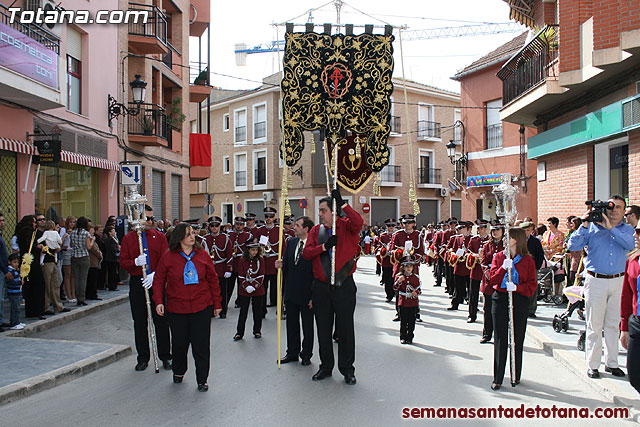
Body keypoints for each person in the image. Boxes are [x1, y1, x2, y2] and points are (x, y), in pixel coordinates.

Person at [568, 195, 635, 379]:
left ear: (624, 212)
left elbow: (629, 245)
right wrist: (583, 224)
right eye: (611, 207)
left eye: (619, 208)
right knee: (594, 325)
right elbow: (572, 245)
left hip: (618, 281)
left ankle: (612, 363)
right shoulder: (592, 228)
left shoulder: (627, 230)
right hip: (595, 280)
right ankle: (593, 364)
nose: (614, 211)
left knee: (613, 325)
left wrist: (611, 228)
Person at [303, 189, 363, 385]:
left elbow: (359, 222)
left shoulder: (346, 226)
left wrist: (343, 204)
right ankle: (325, 366)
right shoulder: (315, 231)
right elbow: (307, 254)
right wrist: (324, 247)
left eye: (323, 210)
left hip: (344, 285)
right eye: (319, 210)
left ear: (333, 212)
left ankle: (347, 369)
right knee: (323, 329)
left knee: (345, 329)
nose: (319, 214)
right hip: (321, 288)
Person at [153, 223, 222, 392]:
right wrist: (159, 301)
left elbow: (213, 280)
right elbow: (159, 280)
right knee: (179, 344)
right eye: (188, 234)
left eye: (193, 233)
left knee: (201, 345)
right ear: (179, 238)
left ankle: (202, 379)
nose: (193, 236)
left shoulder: (203, 255)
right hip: (177, 308)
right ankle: (179, 371)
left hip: (201, 306)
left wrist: (217, 303)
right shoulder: (168, 257)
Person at [120, 204, 172, 372]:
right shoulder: (129, 238)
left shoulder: (160, 237)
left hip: (155, 282)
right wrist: (135, 263)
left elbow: (166, 262)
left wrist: (155, 274)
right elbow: (123, 262)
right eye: (147, 218)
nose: (151, 221)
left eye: (152, 218)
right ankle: (143, 357)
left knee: (161, 320)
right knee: (140, 322)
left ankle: (165, 356)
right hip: (137, 282)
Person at [489, 227, 537, 390]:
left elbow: (532, 285)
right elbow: (492, 280)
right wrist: (503, 267)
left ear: (516, 239)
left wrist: (518, 288)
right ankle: (498, 378)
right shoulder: (499, 256)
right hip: (500, 299)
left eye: (507, 237)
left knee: (517, 338)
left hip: (519, 299)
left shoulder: (527, 260)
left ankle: (515, 375)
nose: (504, 240)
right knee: (501, 339)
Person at [275, 216, 315, 366]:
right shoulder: (291, 242)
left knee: (307, 326)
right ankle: (292, 352)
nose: (294, 227)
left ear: (306, 229)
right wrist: (280, 264)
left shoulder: (314, 245)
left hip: (307, 294)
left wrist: (313, 296)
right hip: (291, 292)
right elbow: (286, 265)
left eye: (297, 225)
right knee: (291, 324)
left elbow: (316, 273)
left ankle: (306, 354)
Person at [390, 214, 425, 321]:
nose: (407, 225)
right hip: (400, 266)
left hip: (412, 267)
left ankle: (416, 313)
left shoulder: (417, 235)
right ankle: (399, 312)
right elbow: (391, 250)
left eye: (409, 223)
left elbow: (421, 252)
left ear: (413, 224)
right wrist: (399, 252)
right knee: (399, 290)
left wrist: (414, 257)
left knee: (414, 288)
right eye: (405, 223)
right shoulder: (397, 234)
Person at [620, 223, 640, 394]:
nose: (635, 235)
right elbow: (626, 295)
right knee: (634, 375)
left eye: (639, 232)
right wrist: (624, 327)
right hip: (637, 323)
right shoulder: (632, 261)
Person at [234, 240, 265, 340]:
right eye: (252, 250)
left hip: (257, 289)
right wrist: (246, 285)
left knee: (257, 311)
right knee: (243, 311)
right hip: (245, 289)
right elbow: (241, 274)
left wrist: (254, 286)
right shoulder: (243, 260)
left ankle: (257, 331)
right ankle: (239, 332)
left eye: (256, 250)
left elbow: (261, 274)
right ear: (248, 250)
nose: (255, 252)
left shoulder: (260, 260)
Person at [204, 216, 233, 318]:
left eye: (216, 225)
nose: (214, 228)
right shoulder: (205, 239)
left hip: (221, 268)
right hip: (209, 269)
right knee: (209, 291)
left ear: (220, 226)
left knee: (222, 291)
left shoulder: (225, 238)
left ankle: (223, 311)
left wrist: (228, 268)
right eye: (212, 226)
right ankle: (211, 310)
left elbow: (229, 254)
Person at [17, 215, 45, 319]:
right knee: (37, 286)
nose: (35, 224)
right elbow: (30, 246)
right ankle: (37, 310)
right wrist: (39, 248)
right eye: (34, 222)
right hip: (31, 262)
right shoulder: (27, 231)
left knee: (30, 287)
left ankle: (32, 310)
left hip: (26, 262)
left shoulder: (22, 232)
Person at [479, 223, 504, 343]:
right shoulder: (487, 246)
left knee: (501, 311)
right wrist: (489, 274)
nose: (495, 232)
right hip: (489, 281)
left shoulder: (507, 245)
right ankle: (487, 333)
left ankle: (500, 335)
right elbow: (483, 262)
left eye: (497, 230)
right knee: (487, 309)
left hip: (502, 281)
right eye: (493, 230)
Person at [39, 220, 67, 315]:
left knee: (55, 284)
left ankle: (57, 305)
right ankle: (46, 306)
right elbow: (59, 242)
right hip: (48, 261)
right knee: (48, 285)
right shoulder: (49, 233)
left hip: (51, 260)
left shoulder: (46, 234)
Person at [256, 207, 280, 313]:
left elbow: (282, 246)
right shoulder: (260, 230)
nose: (268, 218)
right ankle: (262, 308)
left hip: (274, 261)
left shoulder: (279, 230)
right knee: (263, 286)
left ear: (274, 217)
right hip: (264, 262)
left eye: (271, 216)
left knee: (276, 285)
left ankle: (276, 304)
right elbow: (256, 245)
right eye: (266, 216)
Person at [393, 255, 421, 344]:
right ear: (403, 267)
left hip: (413, 302)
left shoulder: (416, 278)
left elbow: (419, 289)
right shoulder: (399, 276)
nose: (409, 268)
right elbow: (395, 288)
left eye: (410, 266)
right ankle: (403, 336)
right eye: (407, 266)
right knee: (404, 321)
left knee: (412, 321)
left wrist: (416, 293)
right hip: (403, 302)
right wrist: (399, 281)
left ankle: (410, 336)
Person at [519, 221, 544, 318]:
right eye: (524, 230)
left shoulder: (535, 241)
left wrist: (537, 267)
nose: (526, 232)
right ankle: (521, 308)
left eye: (528, 230)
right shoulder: (518, 241)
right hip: (520, 268)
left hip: (532, 268)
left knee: (532, 289)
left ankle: (531, 309)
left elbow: (540, 255)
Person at [468, 220, 490, 323]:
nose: (479, 230)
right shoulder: (474, 240)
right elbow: (469, 251)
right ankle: (472, 315)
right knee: (473, 293)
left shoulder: (489, 240)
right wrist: (474, 255)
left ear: (485, 228)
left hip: (486, 270)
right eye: (478, 228)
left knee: (487, 293)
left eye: (481, 228)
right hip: (476, 269)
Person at [229, 216, 253, 308]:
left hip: (242, 263)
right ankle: (225, 302)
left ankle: (240, 301)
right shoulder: (229, 235)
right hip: (232, 263)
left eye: (241, 225)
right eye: (237, 224)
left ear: (244, 226)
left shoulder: (248, 236)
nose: (238, 226)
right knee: (229, 285)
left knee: (242, 284)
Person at [70, 216, 93, 306]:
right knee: (83, 278)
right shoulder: (86, 233)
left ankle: (77, 296)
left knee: (76, 278)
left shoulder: (73, 233)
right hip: (84, 256)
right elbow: (89, 247)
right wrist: (92, 241)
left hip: (74, 256)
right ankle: (81, 297)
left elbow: (71, 245)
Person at [542, 216, 566, 297]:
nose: (548, 225)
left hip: (555, 257)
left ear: (554, 224)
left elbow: (560, 246)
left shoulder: (560, 235)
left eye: (550, 223)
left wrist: (551, 251)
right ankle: (547, 291)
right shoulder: (546, 234)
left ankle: (556, 292)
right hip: (547, 256)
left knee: (556, 273)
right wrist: (544, 250)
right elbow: (543, 243)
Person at [377, 219, 396, 302]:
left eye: (392, 226)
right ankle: (389, 294)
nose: (391, 228)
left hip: (395, 260)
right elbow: (379, 246)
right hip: (386, 260)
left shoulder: (397, 235)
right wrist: (383, 250)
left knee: (395, 278)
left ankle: (395, 292)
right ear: (386, 226)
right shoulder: (383, 236)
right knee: (387, 279)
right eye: (389, 226)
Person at [6, 254, 25, 330]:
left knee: (17, 307)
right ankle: (14, 323)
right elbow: (11, 282)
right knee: (15, 308)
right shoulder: (10, 272)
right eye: (14, 262)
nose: (16, 264)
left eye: (17, 262)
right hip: (13, 292)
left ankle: (17, 321)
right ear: (9, 262)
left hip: (17, 292)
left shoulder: (15, 271)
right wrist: (19, 283)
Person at [85, 225, 103, 301]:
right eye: (91, 231)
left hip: (94, 261)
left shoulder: (93, 239)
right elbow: (93, 249)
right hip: (92, 261)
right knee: (92, 279)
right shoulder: (90, 239)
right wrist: (100, 254)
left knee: (93, 278)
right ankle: (92, 294)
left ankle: (91, 293)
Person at [61, 216, 76, 304]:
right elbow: (61, 241)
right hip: (66, 252)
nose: (72, 224)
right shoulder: (63, 230)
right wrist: (66, 234)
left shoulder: (75, 231)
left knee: (73, 275)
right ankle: (68, 295)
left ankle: (73, 294)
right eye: (70, 222)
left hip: (73, 251)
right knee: (68, 273)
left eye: (73, 222)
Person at [0, 214, 11, 331]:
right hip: (1, 269)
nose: (2, 223)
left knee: (2, 296)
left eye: (3, 220)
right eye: (0, 221)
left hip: (3, 269)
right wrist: (5, 270)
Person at [103, 225, 120, 291]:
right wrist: (118, 249)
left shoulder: (112, 239)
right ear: (109, 232)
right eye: (113, 231)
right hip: (111, 258)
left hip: (110, 257)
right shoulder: (110, 240)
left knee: (112, 272)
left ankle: (112, 285)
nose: (114, 232)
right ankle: (112, 286)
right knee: (112, 272)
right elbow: (113, 248)